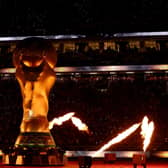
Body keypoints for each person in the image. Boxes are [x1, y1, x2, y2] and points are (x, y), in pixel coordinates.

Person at [13, 37, 57, 133]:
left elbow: (49, 70)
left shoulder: (47, 78)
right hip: (29, 122)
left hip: (35, 121)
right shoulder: (23, 78)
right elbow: (18, 69)